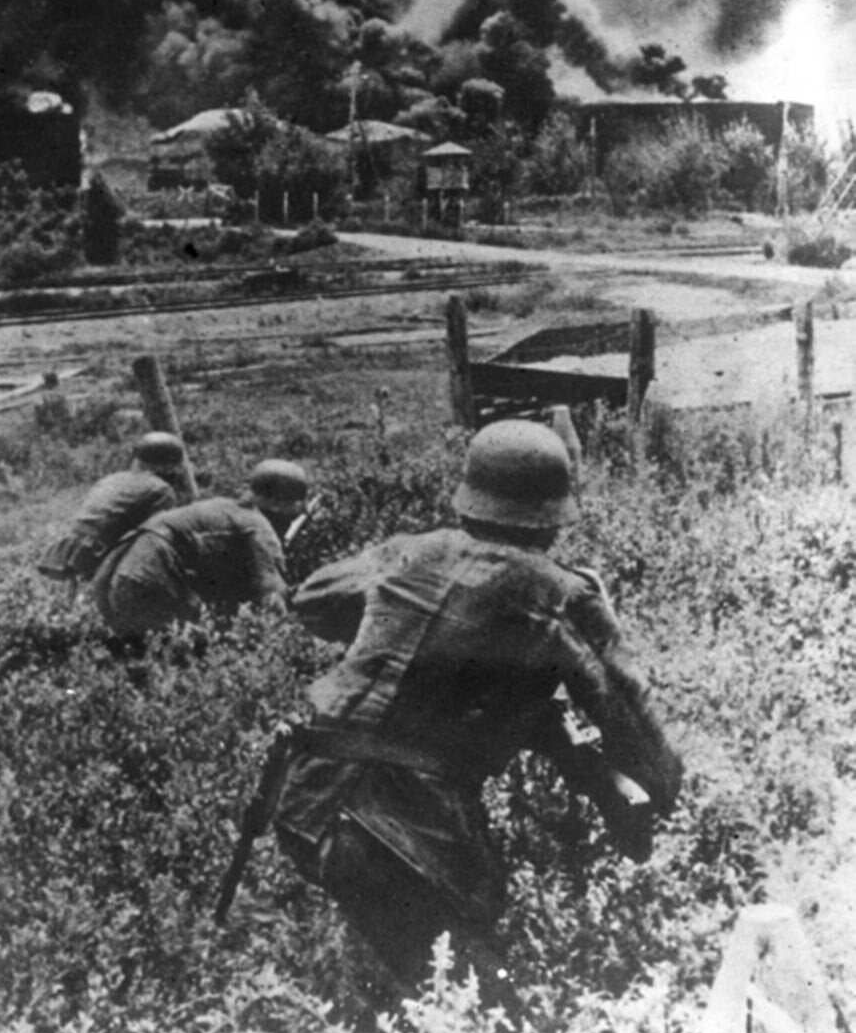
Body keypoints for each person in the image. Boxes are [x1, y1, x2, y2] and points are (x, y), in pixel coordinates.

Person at [271, 419, 683, 1000]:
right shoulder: (562, 595)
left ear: (470, 498)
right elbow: (633, 726)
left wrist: (409, 619)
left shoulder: (410, 552)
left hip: (304, 796)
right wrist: (669, 798)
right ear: (554, 517)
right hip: (400, 831)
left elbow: (312, 600)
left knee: (402, 951)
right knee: (482, 1008)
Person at [90, 459, 309, 638]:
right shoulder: (257, 525)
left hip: (112, 575)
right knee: (185, 653)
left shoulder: (224, 507)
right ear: (282, 505)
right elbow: (272, 596)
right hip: (147, 577)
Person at [36, 432, 188, 588]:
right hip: (100, 555)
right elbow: (162, 532)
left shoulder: (111, 478)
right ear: (167, 465)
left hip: (68, 551)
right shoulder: (161, 489)